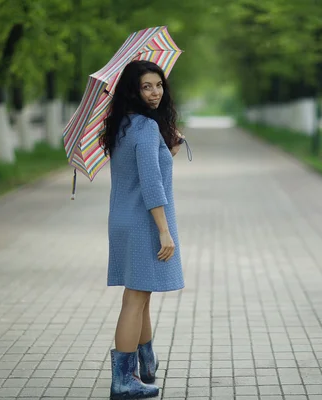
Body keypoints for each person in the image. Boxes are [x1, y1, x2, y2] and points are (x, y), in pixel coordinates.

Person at [99, 60, 185, 399]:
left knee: (142, 295)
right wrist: (165, 232)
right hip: (143, 222)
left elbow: (142, 172)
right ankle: (123, 380)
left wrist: (169, 150)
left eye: (158, 85)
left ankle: (145, 367)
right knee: (135, 300)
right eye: (146, 86)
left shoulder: (123, 125)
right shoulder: (146, 129)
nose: (155, 92)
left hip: (123, 219)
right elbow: (151, 184)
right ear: (133, 90)